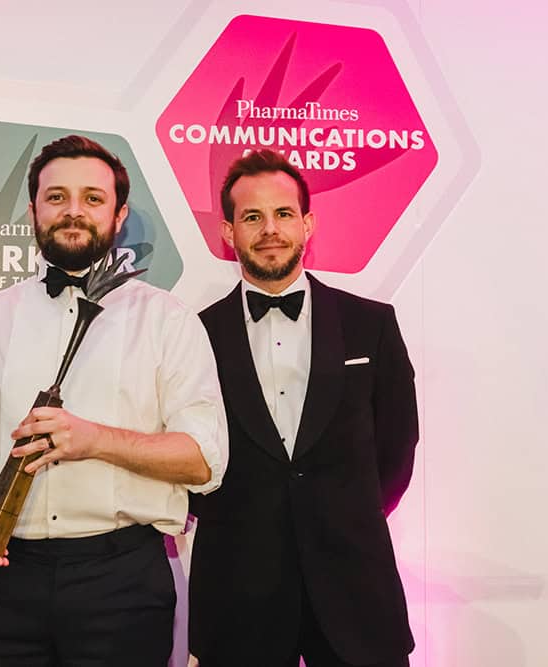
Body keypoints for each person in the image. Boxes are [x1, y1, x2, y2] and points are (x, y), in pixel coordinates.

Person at [0, 134, 227, 666]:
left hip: (121, 583)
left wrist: (94, 440)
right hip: (0, 580)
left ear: (119, 215)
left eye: (93, 198)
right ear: (32, 210)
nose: (73, 211)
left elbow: (204, 460)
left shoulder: (168, 321)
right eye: (56, 197)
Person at [188, 149, 418, 667]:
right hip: (237, 594)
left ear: (307, 224)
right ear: (228, 232)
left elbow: (396, 449)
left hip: (356, 591)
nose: (270, 229)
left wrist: (343, 512)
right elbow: (187, 456)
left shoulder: (372, 325)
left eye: (283, 213)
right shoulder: (194, 335)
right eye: (252, 217)